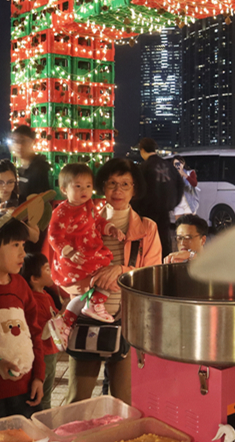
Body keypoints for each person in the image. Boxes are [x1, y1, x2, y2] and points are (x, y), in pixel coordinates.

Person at [67, 158, 162, 405]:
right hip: (88, 319)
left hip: (128, 322)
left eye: (125, 184)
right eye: (111, 183)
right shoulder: (83, 223)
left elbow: (152, 278)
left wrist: (121, 271)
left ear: (134, 189)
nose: (117, 191)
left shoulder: (147, 229)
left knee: (125, 401)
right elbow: (67, 270)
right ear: (102, 187)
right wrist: (88, 282)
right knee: (78, 400)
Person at [46, 163, 125, 347]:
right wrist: (69, 252)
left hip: (90, 251)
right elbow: (54, 236)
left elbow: (96, 221)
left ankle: (65, 322)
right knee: (104, 276)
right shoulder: (62, 211)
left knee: (83, 295)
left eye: (88, 186)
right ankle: (95, 304)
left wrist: (110, 228)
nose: (85, 190)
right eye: (78, 186)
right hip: (77, 258)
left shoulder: (89, 205)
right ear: (64, 189)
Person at [0, 214, 45, 420]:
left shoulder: (21, 285)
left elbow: (34, 332)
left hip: (26, 390)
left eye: (24, 245)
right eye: (15, 245)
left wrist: (39, 377)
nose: (23, 253)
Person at [20, 252, 59, 410]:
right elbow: (44, 332)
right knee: (42, 395)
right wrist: (65, 313)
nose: (52, 273)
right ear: (34, 279)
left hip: (52, 352)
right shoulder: (33, 300)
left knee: (47, 394)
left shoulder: (46, 295)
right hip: (43, 353)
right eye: (48, 269)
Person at [134, 138, 184, 257]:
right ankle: (165, 266)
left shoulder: (144, 167)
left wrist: (137, 208)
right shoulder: (167, 165)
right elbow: (180, 184)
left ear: (142, 150)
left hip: (148, 212)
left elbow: (137, 190)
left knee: (149, 243)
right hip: (165, 211)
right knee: (164, 241)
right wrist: (173, 203)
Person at [10, 125, 51, 254]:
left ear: (32, 142)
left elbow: (42, 201)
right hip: (20, 226)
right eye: (15, 141)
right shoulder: (19, 170)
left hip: (34, 228)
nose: (18, 145)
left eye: (22, 141)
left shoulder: (41, 169)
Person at [172, 155, 199, 220]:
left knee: (188, 223)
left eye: (180, 163)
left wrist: (184, 174)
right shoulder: (172, 174)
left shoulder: (190, 172)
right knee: (179, 224)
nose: (178, 166)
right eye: (176, 164)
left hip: (189, 202)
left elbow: (194, 183)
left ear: (183, 163)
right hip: (178, 202)